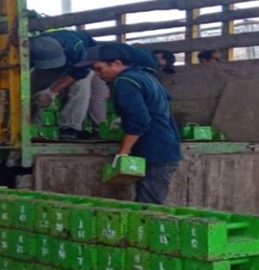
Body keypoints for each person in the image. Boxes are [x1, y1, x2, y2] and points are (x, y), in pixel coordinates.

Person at [75, 44, 182, 204]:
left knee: (149, 207)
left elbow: (139, 120)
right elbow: (165, 99)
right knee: (150, 201)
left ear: (117, 63)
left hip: (153, 149)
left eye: (99, 69)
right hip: (166, 146)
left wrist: (122, 153)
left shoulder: (125, 81)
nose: (97, 74)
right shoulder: (145, 77)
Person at [29, 31, 98, 140]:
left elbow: (80, 73)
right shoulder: (31, 49)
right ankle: (32, 125)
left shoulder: (76, 46)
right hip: (53, 60)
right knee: (32, 87)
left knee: (79, 87)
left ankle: (70, 127)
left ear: (63, 49)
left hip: (80, 63)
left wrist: (52, 91)